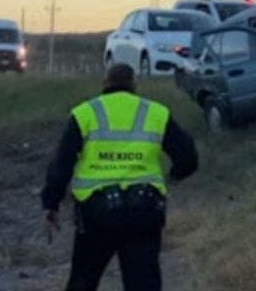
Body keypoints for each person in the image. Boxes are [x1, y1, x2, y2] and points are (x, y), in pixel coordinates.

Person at [41, 64, 199, 291]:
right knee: (144, 284)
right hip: (144, 211)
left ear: (105, 83)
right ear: (135, 84)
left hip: (96, 213)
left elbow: (61, 164)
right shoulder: (156, 112)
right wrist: (171, 178)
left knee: (83, 281)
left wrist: (50, 203)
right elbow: (188, 157)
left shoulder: (85, 113)